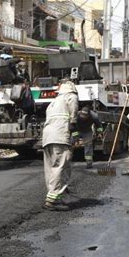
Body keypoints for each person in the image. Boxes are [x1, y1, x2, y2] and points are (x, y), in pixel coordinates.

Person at [42, 81, 79, 211]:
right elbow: (73, 118)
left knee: (51, 168)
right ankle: (52, 200)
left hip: (47, 138)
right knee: (60, 167)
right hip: (60, 136)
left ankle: (54, 195)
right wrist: (75, 134)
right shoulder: (71, 97)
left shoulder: (53, 102)